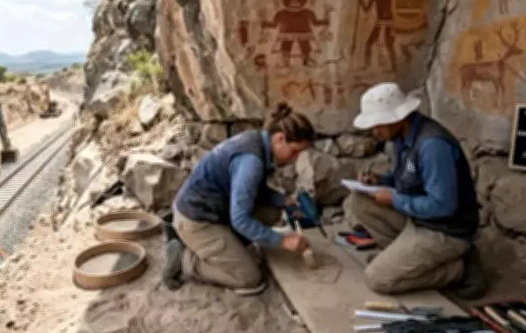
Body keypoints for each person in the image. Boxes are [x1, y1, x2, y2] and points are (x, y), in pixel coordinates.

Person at [344, 82, 488, 299]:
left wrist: (394, 199)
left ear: (398, 117)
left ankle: (459, 267)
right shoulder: (402, 136)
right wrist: (381, 180)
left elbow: (442, 205)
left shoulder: (432, 146)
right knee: (360, 201)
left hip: (445, 230)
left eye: (378, 124)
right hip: (419, 218)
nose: (375, 132)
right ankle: (403, 259)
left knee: (377, 279)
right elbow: (409, 179)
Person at [163, 102, 316, 295]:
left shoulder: (258, 140)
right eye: (294, 151)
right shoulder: (251, 162)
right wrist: (282, 241)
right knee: (249, 278)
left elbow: (251, 191)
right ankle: (184, 260)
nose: (295, 158)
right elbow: (240, 219)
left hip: (215, 209)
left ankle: (230, 247)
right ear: (280, 138)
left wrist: (283, 200)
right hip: (197, 220)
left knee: (272, 212)